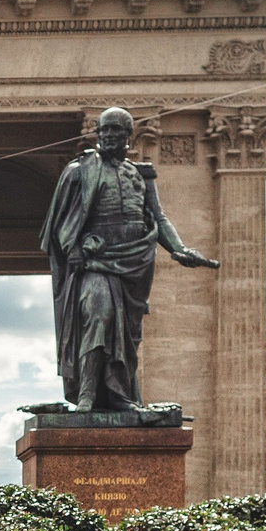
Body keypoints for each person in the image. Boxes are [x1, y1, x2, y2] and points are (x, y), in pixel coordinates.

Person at [40, 106, 218, 411]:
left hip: (135, 265)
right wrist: (76, 248)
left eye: (116, 131)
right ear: (97, 134)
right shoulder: (78, 171)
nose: (109, 136)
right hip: (96, 262)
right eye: (104, 130)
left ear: (128, 136)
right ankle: (86, 395)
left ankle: (120, 396)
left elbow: (158, 218)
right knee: (98, 314)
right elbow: (58, 224)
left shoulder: (141, 174)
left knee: (126, 337)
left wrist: (179, 248)